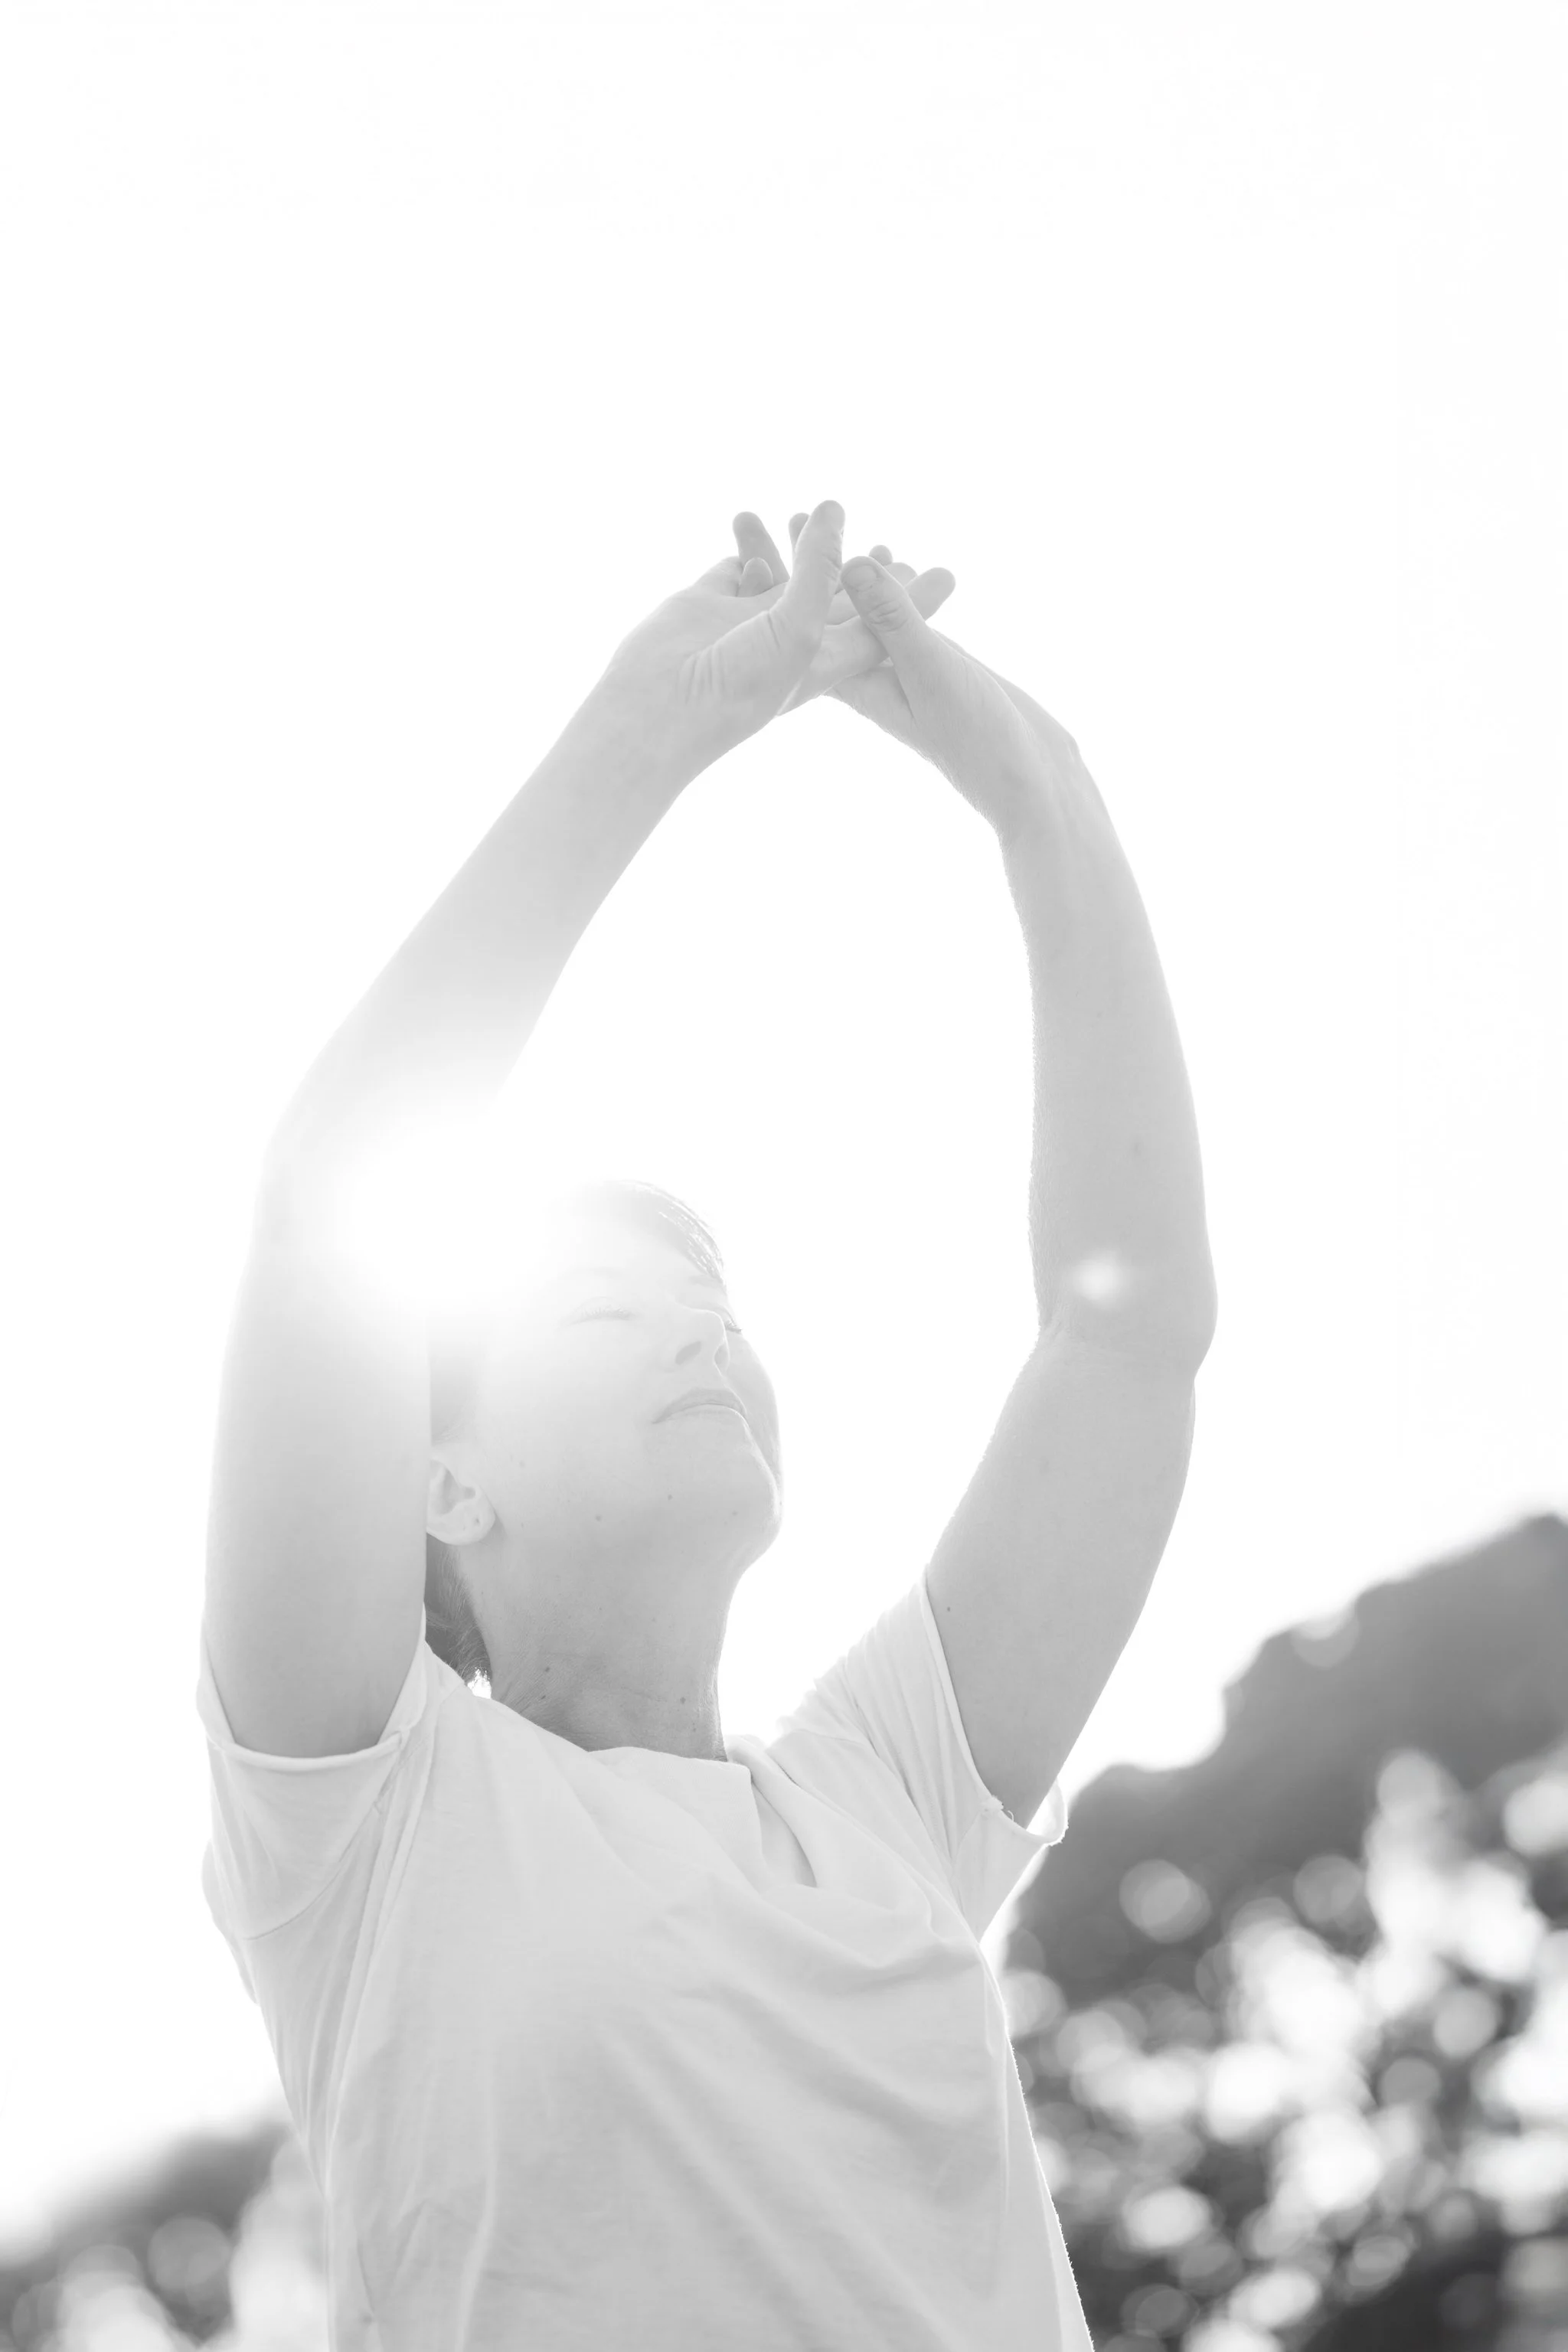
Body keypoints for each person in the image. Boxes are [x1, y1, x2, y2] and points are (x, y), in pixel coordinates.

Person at [198, 499, 1218, 2350]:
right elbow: (324, 1203)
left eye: (719, 1311)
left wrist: (1044, 798)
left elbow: (1128, 1335)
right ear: (444, 1485)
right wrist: (649, 729)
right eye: (608, 1312)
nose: (700, 1327)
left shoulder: (878, 1796)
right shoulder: (369, 1812)